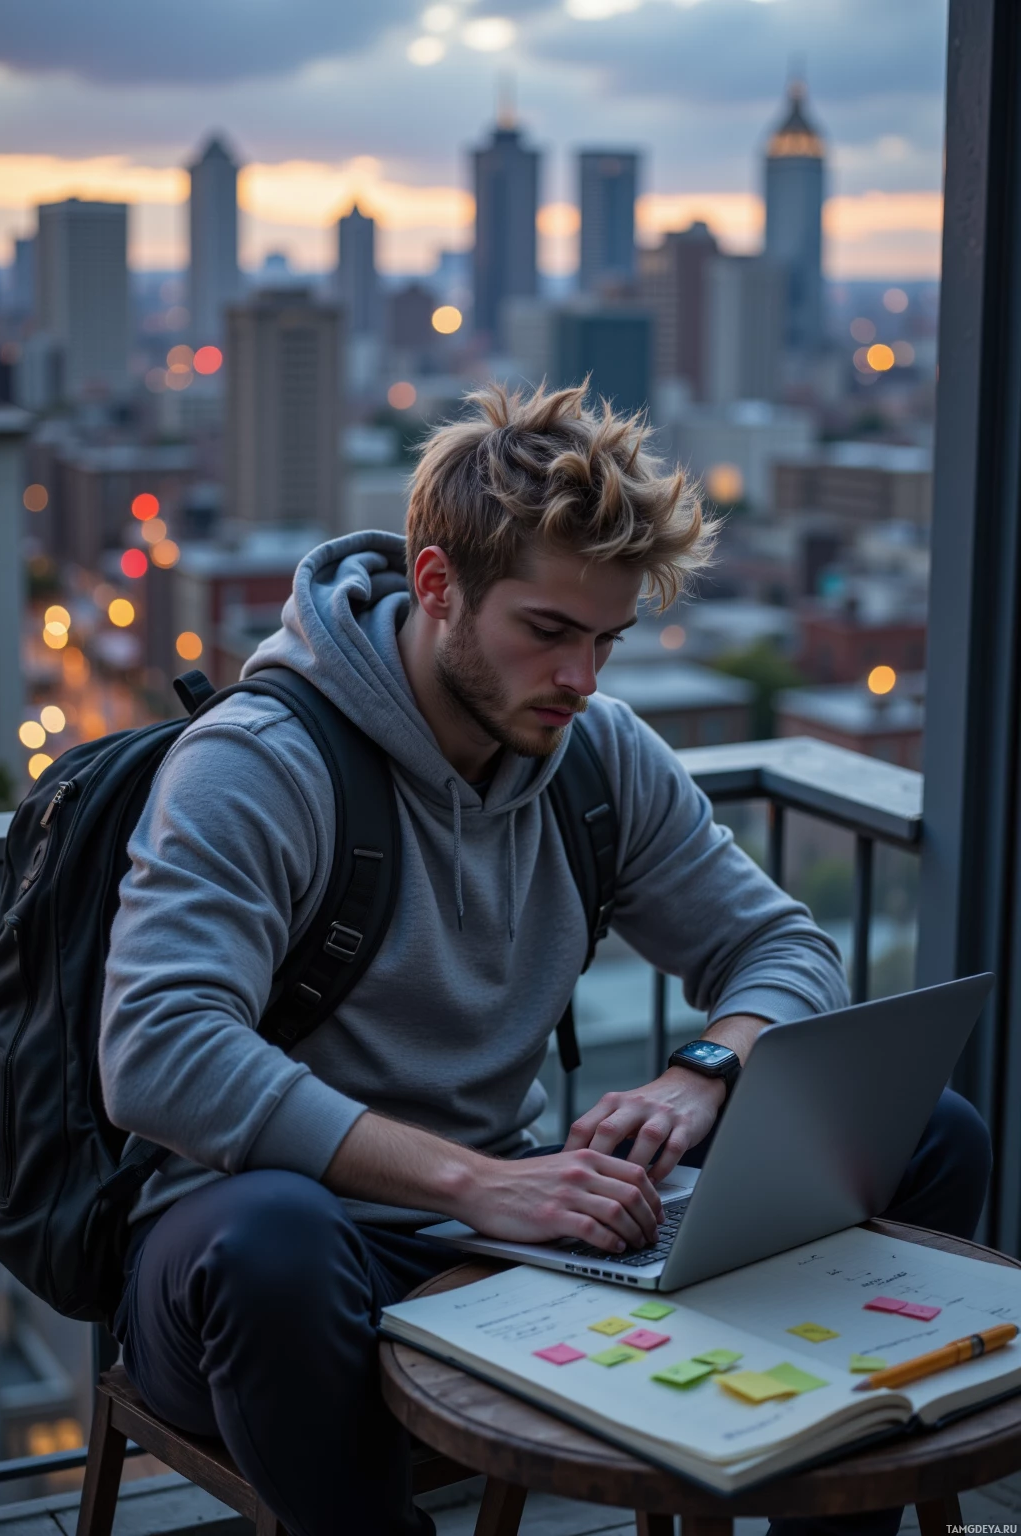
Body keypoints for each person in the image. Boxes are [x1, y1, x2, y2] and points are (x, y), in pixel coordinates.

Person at [102, 383, 991, 1536]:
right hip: (256, 1252)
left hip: (512, 1231)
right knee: (278, 1241)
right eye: (550, 632)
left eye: (608, 639)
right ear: (436, 586)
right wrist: (483, 1182)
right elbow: (159, 1054)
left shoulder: (592, 753)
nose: (583, 677)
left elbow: (780, 943)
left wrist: (703, 1074)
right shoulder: (262, 763)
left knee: (935, 1130)